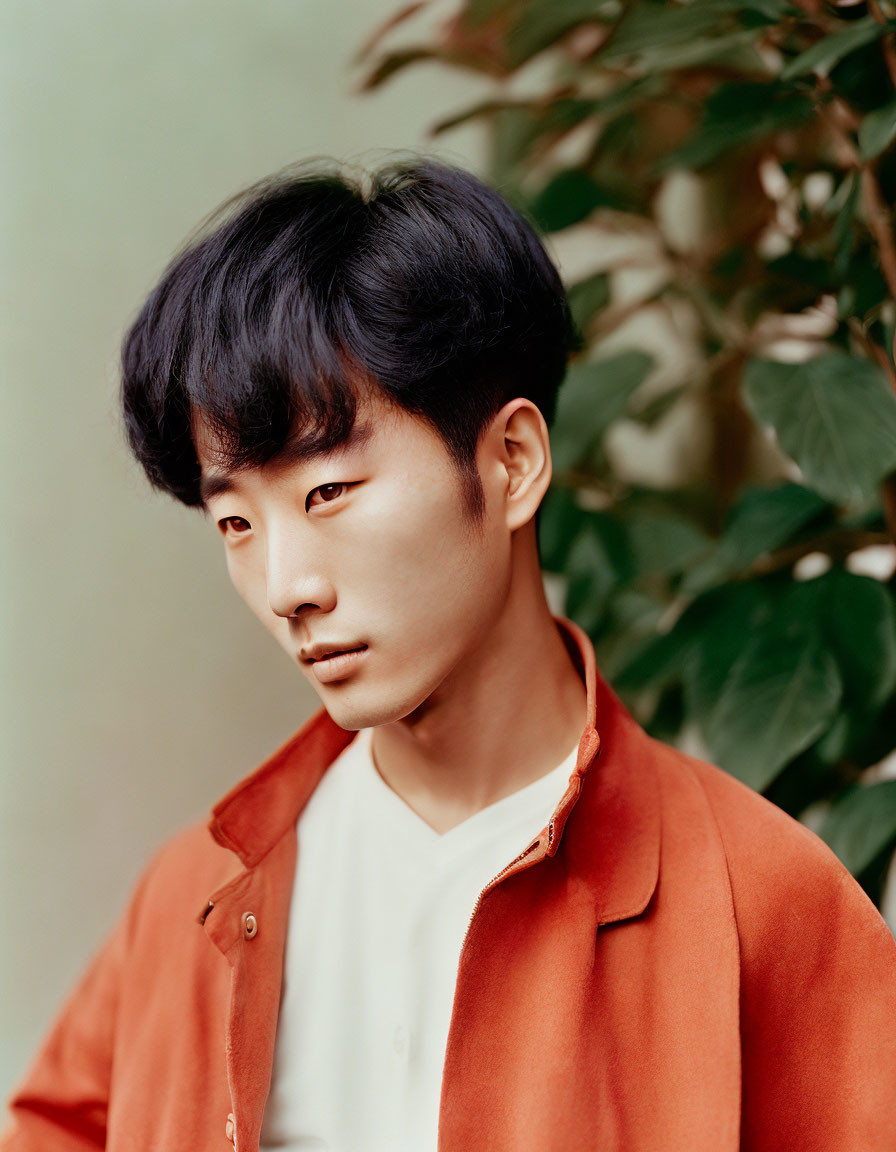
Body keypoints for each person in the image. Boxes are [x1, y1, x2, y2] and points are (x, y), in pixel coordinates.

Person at [2, 157, 895, 1152]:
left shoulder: (764, 904)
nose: (286, 583)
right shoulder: (196, 898)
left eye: (326, 492)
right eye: (234, 523)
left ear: (510, 463)